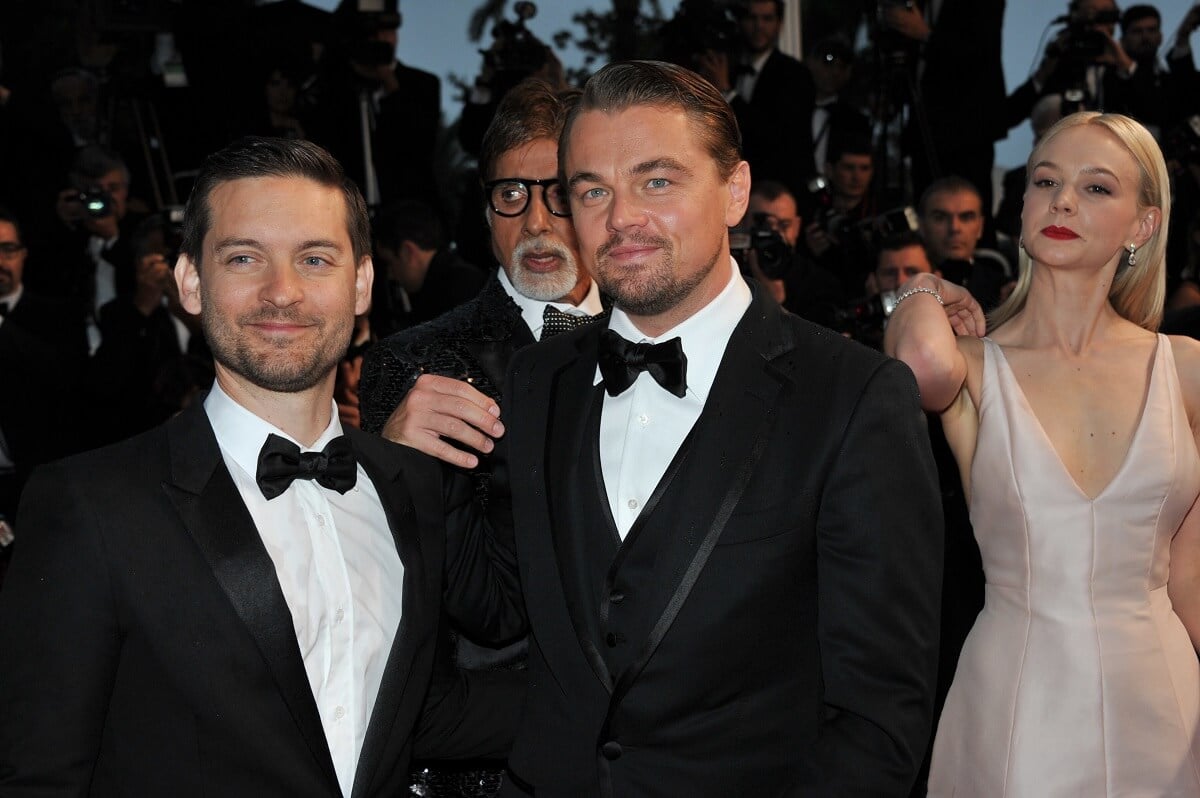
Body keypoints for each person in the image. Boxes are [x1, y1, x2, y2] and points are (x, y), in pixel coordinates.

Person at [0, 137, 523, 797]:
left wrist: (652, 682)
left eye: (315, 258)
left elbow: (427, 709)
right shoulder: (89, 505)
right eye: (245, 257)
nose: (283, 292)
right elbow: (39, 775)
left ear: (361, 282)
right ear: (190, 280)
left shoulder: (410, 483)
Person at [490, 59, 942, 797]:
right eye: (592, 190)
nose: (621, 217)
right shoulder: (538, 381)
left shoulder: (852, 397)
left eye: (656, 181)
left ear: (735, 192)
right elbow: (515, 624)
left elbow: (878, 715)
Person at [886, 111, 1200, 795]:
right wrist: (922, 289)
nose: (1061, 200)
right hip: (1018, 696)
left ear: (1143, 226)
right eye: (1045, 180)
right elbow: (915, 364)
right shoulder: (971, 364)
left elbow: (1192, 578)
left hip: (1166, 702)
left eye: (1096, 188)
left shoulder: (1186, 369)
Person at [360, 76, 602, 798]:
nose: (535, 222)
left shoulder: (661, 338)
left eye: (559, 192)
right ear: (485, 207)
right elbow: (454, 606)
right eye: (511, 195)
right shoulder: (415, 364)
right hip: (496, 761)